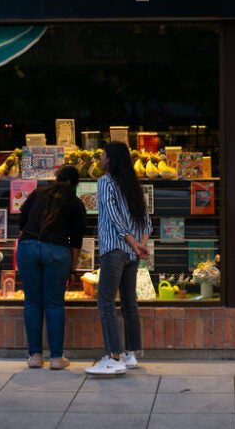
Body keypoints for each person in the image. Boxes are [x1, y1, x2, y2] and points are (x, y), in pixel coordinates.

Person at [86, 142, 152, 376]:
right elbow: (146, 219)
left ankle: (113, 357)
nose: (100, 159)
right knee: (128, 303)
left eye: (103, 155)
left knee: (105, 303)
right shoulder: (133, 185)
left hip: (114, 249)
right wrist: (140, 244)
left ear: (111, 159)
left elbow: (113, 215)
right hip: (132, 254)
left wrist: (133, 243)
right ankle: (130, 353)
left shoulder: (105, 182)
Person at [16, 165, 87, 370]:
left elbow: (22, 221)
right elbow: (76, 241)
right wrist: (73, 270)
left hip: (28, 247)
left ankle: (35, 357)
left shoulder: (38, 193)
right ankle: (56, 358)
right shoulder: (75, 203)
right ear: (75, 184)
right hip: (56, 251)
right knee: (54, 304)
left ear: (56, 178)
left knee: (32, 303)